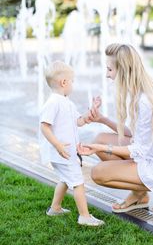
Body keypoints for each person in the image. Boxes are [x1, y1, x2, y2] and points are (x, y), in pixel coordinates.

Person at [77, 43, 153, 218]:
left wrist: (99, 149)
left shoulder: (145, 100)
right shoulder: (141, 91)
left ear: (124, 71)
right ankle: (140, 195)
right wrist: (102, 120)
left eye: (110, 70)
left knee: (98, 173)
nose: (107, 74)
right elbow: (137, 136)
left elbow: (139, 149)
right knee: (101, 138)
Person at [39, 60, 104, 226]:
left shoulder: (66, 102)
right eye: (72, 81)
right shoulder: (53, 102)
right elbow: (44, 126)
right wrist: (58, 145)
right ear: (64, 82)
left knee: (66, 179)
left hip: (65, 153)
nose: (73, 84)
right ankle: (84, 216)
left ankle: (55, 207)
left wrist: (91, 112)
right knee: (77, 182)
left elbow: (79, 121)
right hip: (62, 152)